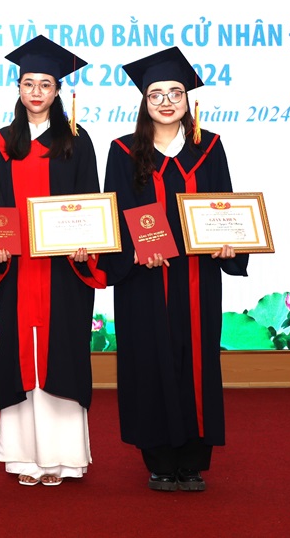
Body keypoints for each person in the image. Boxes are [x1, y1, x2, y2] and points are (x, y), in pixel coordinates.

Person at [101, 46, 248, 493]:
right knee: (149, 361)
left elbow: (224, 206)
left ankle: (193, 461)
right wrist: (133, 253)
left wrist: (229, 244)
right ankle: (160, 460)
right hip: (143, 281)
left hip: (197, 277)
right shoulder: (123, 151)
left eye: (175, 93)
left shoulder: (210, 148)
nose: (166, 102)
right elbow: (114, 216)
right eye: (156, 94)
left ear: (188, 100)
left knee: (196, 360)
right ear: (144, 101)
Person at [0, 36, 107, 487]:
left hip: (64, 271)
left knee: (62, 353)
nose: (36, 92)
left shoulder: (77, 142)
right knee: (21, 355)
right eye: (29, 83)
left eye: (46, 84)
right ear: (17, 88)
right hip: (16, 268)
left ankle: (65, 459)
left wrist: (86, 246)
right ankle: (25, 459)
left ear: (58, 91)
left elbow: (90, 202)